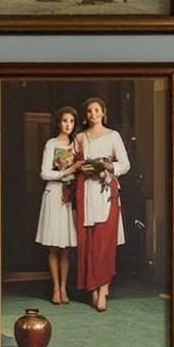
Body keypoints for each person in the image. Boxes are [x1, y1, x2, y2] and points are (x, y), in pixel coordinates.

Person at [73, 95, 130, 311]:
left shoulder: (113, 136)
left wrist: (108, 166)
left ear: (103, 113)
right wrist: (82, 168)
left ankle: (104, 288)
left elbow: (125, 164)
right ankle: (93, 289)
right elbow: (73, 163)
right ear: (86, 115)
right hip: (87, 192)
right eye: (89, 111)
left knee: (105, 241)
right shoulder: (80, 138)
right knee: (89, 241)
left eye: (97, 110)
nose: (93, 114)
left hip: (106, 192)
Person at [36, 104, 79, 305]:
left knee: (66, 247)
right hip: (53, 195)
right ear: (59, 123)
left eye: (71, 121)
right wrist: (66, 172)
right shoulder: (51, 143)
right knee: (54, 246)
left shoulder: (77, 144)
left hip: (70, 197)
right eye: (64, 121)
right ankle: (55, 288)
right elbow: (44, 173)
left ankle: (63, 288)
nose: (68, 125)